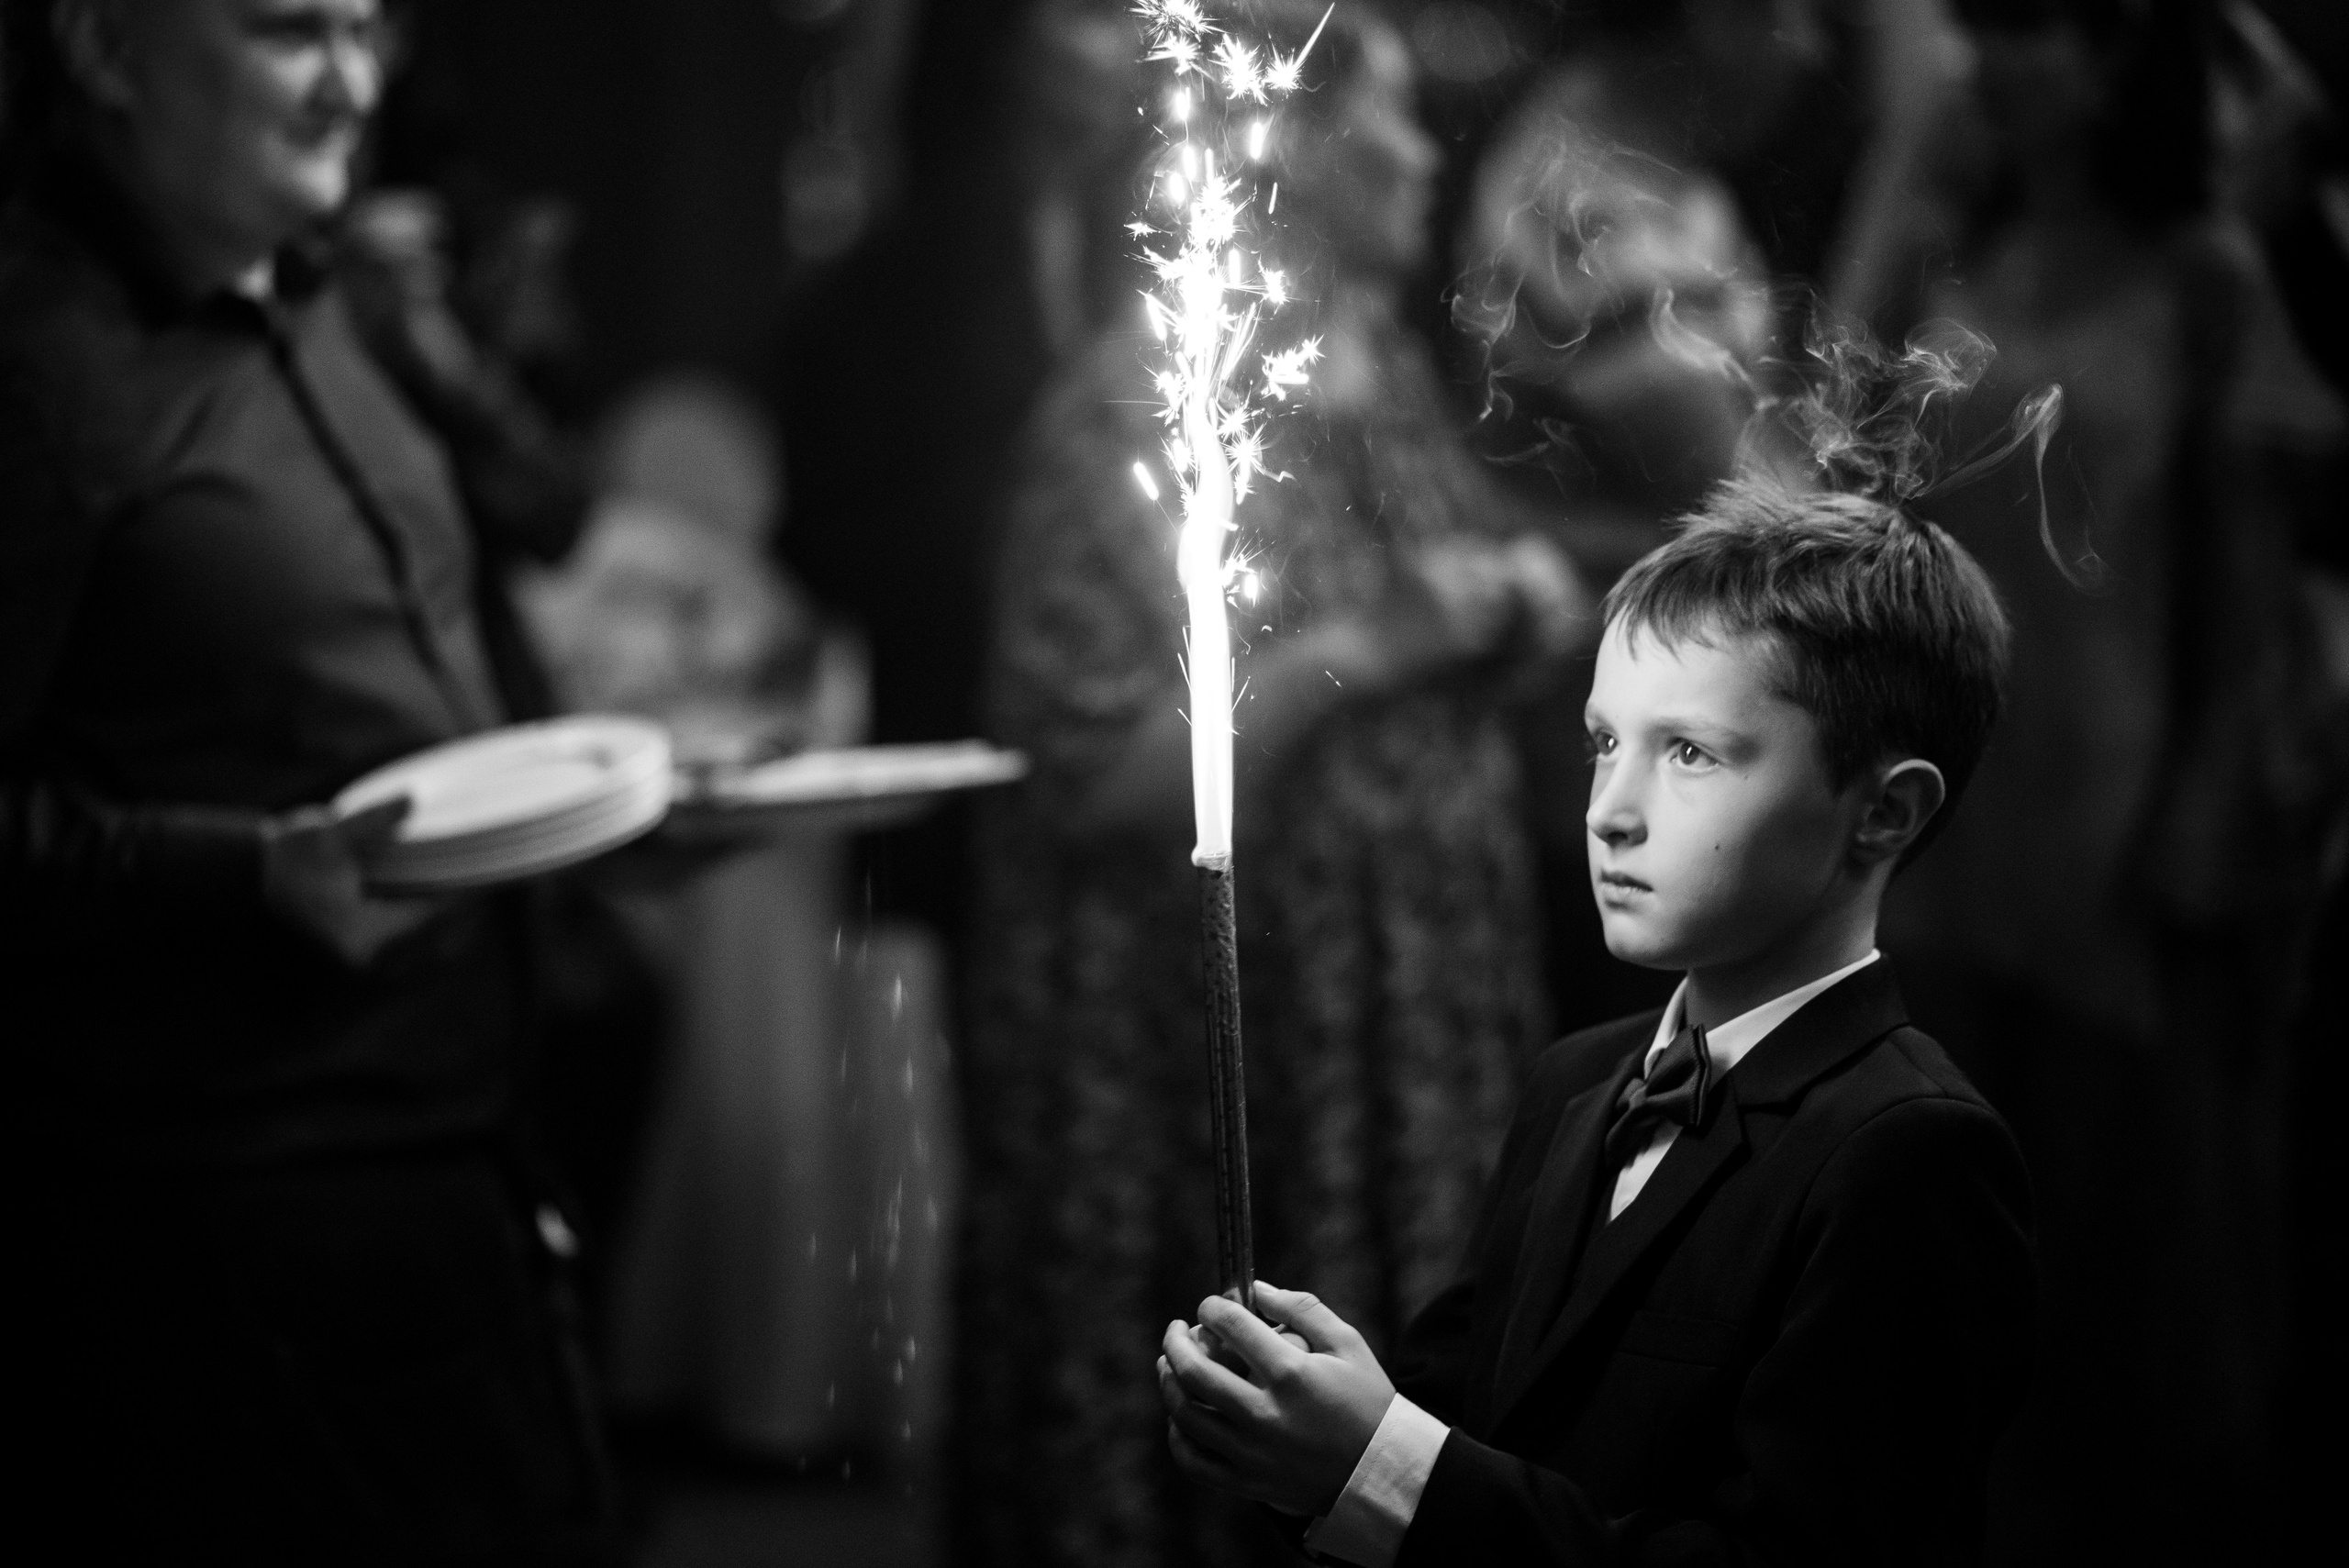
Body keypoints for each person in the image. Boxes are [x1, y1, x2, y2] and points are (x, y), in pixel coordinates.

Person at [1156, 352, 2038, 1563]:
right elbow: (1466, 1424)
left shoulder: (1909, 1156)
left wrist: (1384, 1467)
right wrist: (1300, 1435)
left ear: (1882, 812)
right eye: (1601, 743)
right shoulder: (1577, 1081)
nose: (1610, 809)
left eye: (1692, 754)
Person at [959, 5, 1584, 1564]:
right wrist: (1374, 642)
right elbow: (1096, 770)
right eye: (1398, 120)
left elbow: (1428, 636)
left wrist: (1507, 623)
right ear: (1295, 145)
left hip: (1404, 1028)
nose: (1430, 154)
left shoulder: (1392, 382)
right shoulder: (1132, 411)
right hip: (1227, 1052)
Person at [1, 1, 615, 1558]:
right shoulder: (36, 357)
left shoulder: (331, 296)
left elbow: (511, 565)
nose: (353, 81)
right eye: (290, 30)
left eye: (369, 28)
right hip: (212, 1213)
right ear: (105, 48)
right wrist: (238, 868)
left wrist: (609, 821)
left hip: (457, 1147)